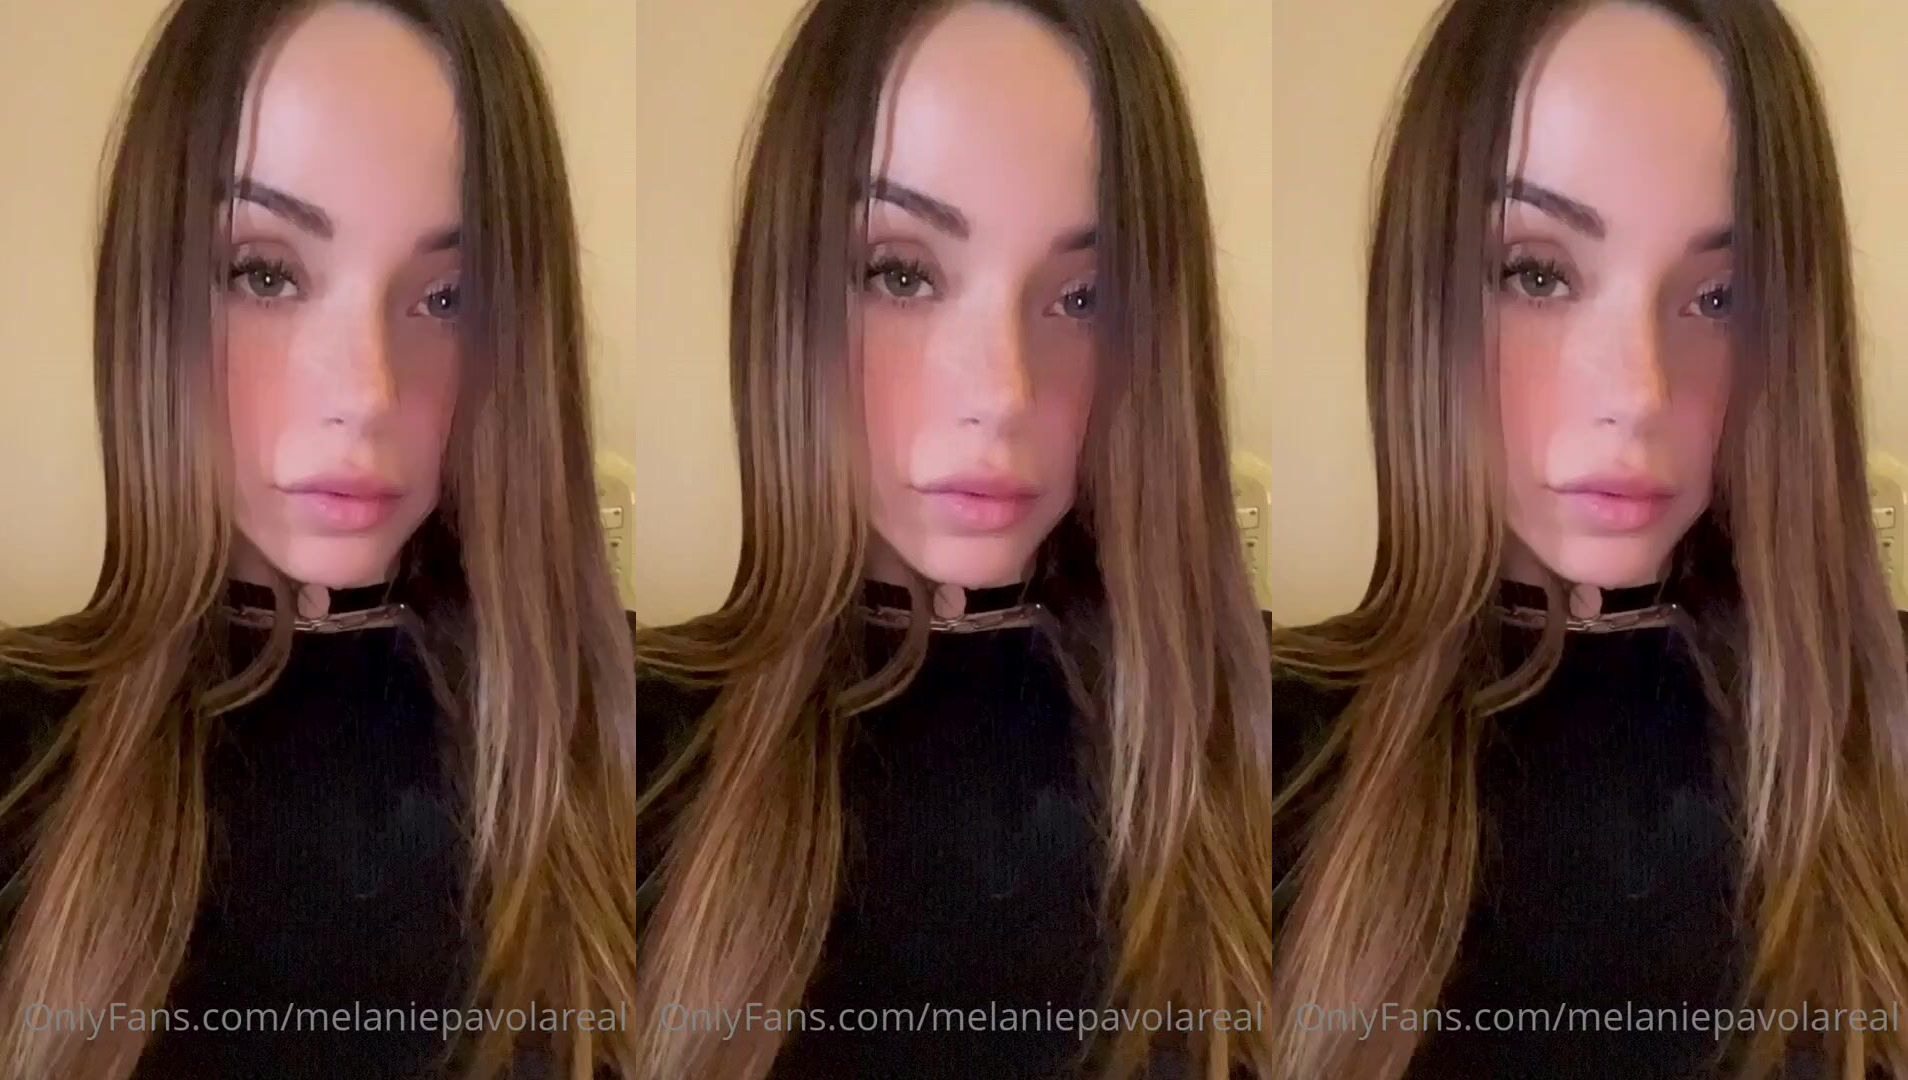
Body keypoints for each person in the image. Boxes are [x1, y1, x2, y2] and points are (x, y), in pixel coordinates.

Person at [632, 1, 1274, 1077]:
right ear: (791, 296)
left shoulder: (1266, 746)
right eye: (903, 274)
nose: (1002, 391)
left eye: (1084, 295)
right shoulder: (625, 751)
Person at [0, 2, 640, 1077]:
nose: (367, 391)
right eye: (266, 273)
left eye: (449, 295)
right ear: (154, 295)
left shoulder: (637, 752)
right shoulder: (23, 758)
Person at [1269, 2, 1908, 1078]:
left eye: (1721, 295)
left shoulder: (1882, 729)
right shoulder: (1252, 751)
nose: (1638, 391)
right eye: (1538, 274)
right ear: (1427, 296)